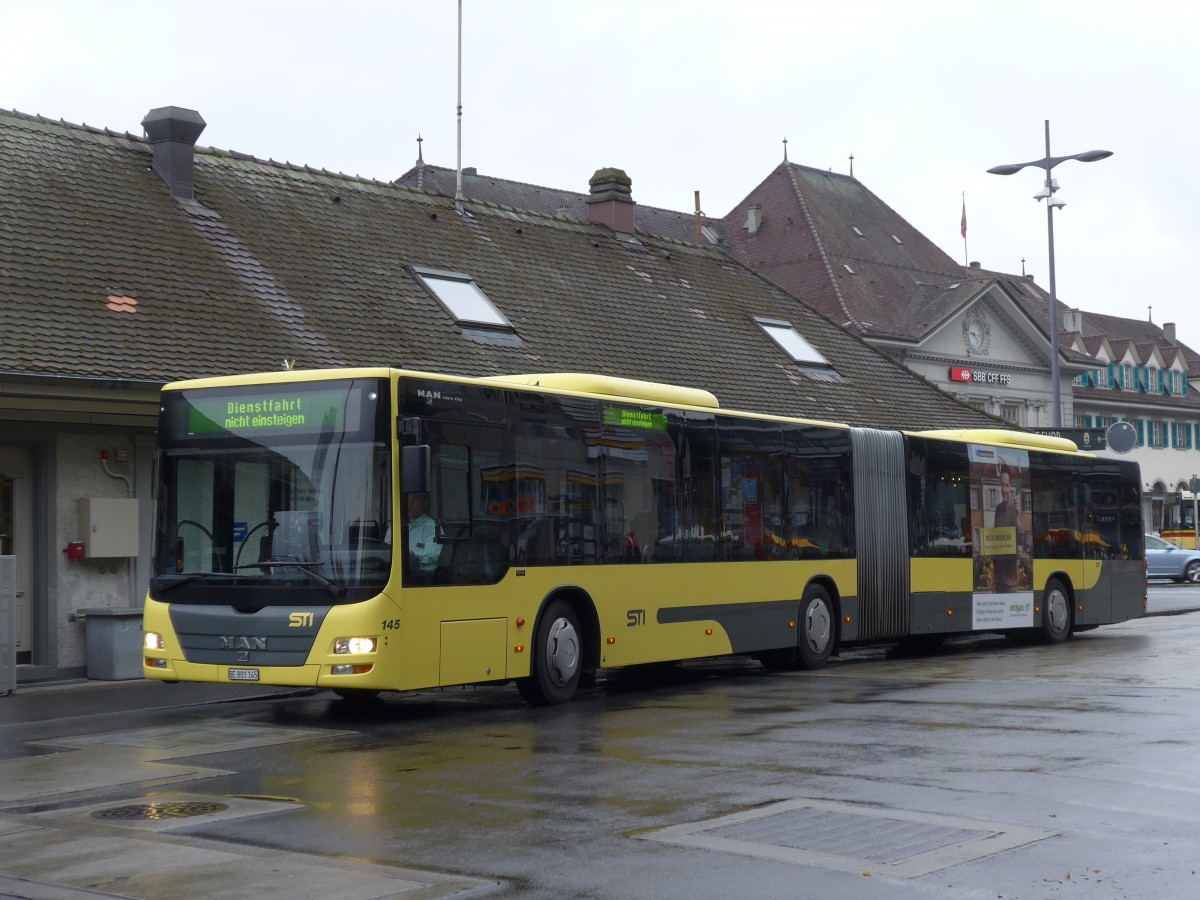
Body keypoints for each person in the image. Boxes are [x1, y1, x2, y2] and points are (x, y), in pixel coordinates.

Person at [992, 462, 1025, 592]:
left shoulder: (1015, 509)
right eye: (1002, 485)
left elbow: (1021, 538)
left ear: (1010, 487)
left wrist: (1017, 515)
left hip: (1011, 584)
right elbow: (995, 544)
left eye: (1007, 485)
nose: (1004, 490)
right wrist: (994, 579)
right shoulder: (998, 509)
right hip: (999, 582)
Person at [405, 493, 441, 576]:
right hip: (397, 573)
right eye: (407, 500)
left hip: (424, 577)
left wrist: (412, 555)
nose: (410, 503)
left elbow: (432, 555)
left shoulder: (432, 526)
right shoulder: (395, 526)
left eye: (414, 499)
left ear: (425, 503)